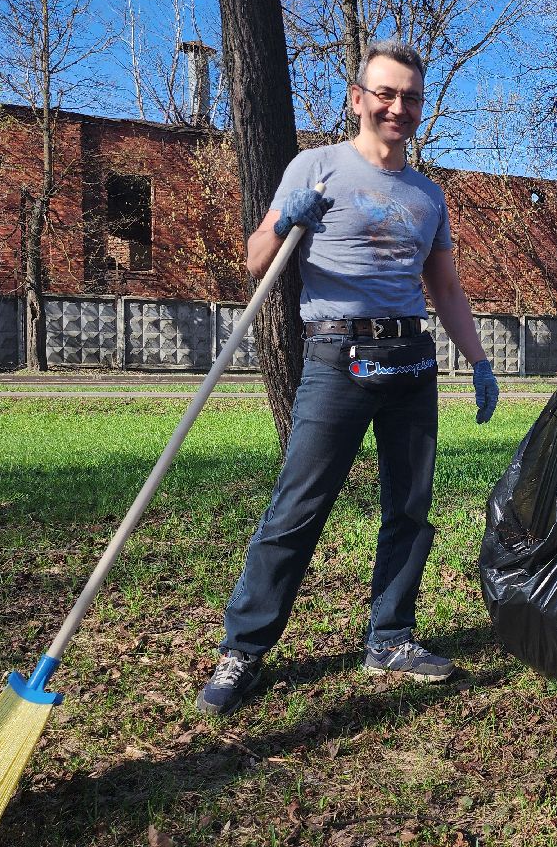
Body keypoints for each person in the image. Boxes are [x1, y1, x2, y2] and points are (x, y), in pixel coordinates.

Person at [197, 39, 499, 717]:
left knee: (410, 510)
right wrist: (285, 220)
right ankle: (243, 648)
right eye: (386, 94)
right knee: (297, 509)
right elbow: (255, 260)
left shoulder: (427, 194)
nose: (398, 106)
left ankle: (390, 637)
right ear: (359, 98)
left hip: (412, 361)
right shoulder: (319, 167)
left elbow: (445, 288)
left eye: (411, 97)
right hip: (337, 358)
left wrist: (477, 362)